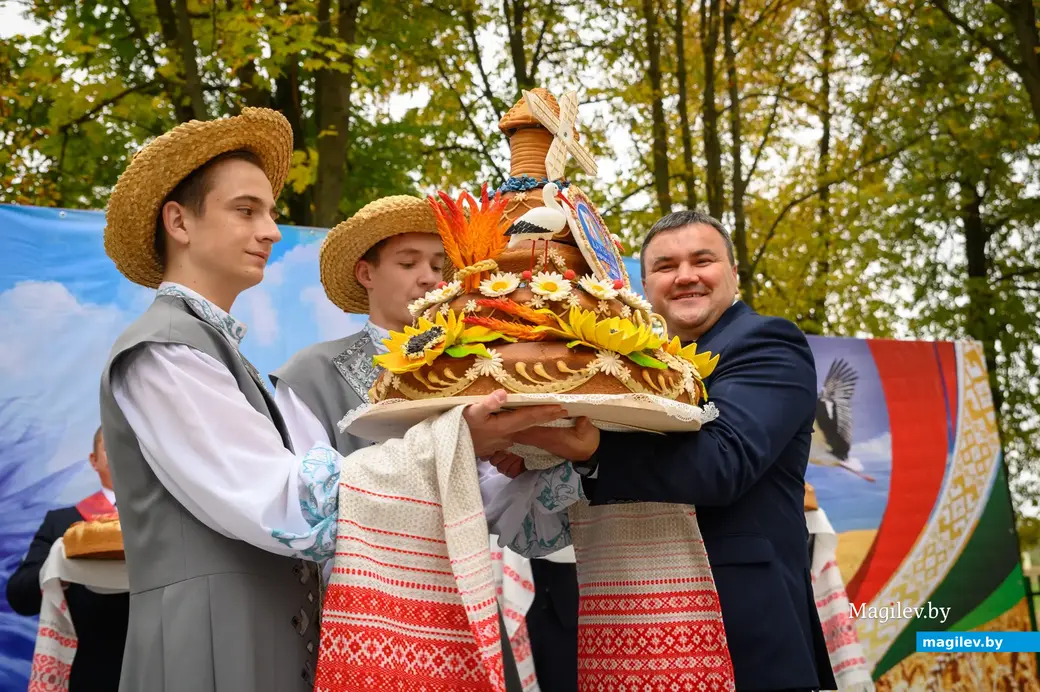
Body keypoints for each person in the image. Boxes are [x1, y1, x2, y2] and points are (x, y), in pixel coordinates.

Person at [98, 108, 569, 692]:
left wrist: (538, 456)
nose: (270, 230)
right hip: (210, 647)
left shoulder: (213, 347)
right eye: (246, 210)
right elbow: (290, 504)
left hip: (275, 641)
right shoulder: (164, 350)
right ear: (179, 221)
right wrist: (457, 440)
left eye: (270, 213)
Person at [505, 210, 839, 692]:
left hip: (739, 628)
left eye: (702, 260)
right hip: (628, 621)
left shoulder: (766, 342)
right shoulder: (627, 362)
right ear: (645, 284)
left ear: (733, 274)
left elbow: (725, 463)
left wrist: (592, 449)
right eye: (665, 266)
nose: (685, 276)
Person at [6, 427, 129, 691]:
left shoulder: (166, 521)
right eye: (110, 446)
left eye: (127, 445)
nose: (120, 451)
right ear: (93, 460)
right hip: (88, 672)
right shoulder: (61, 523)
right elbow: (19, 596)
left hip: (161, 666)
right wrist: (56, 568)